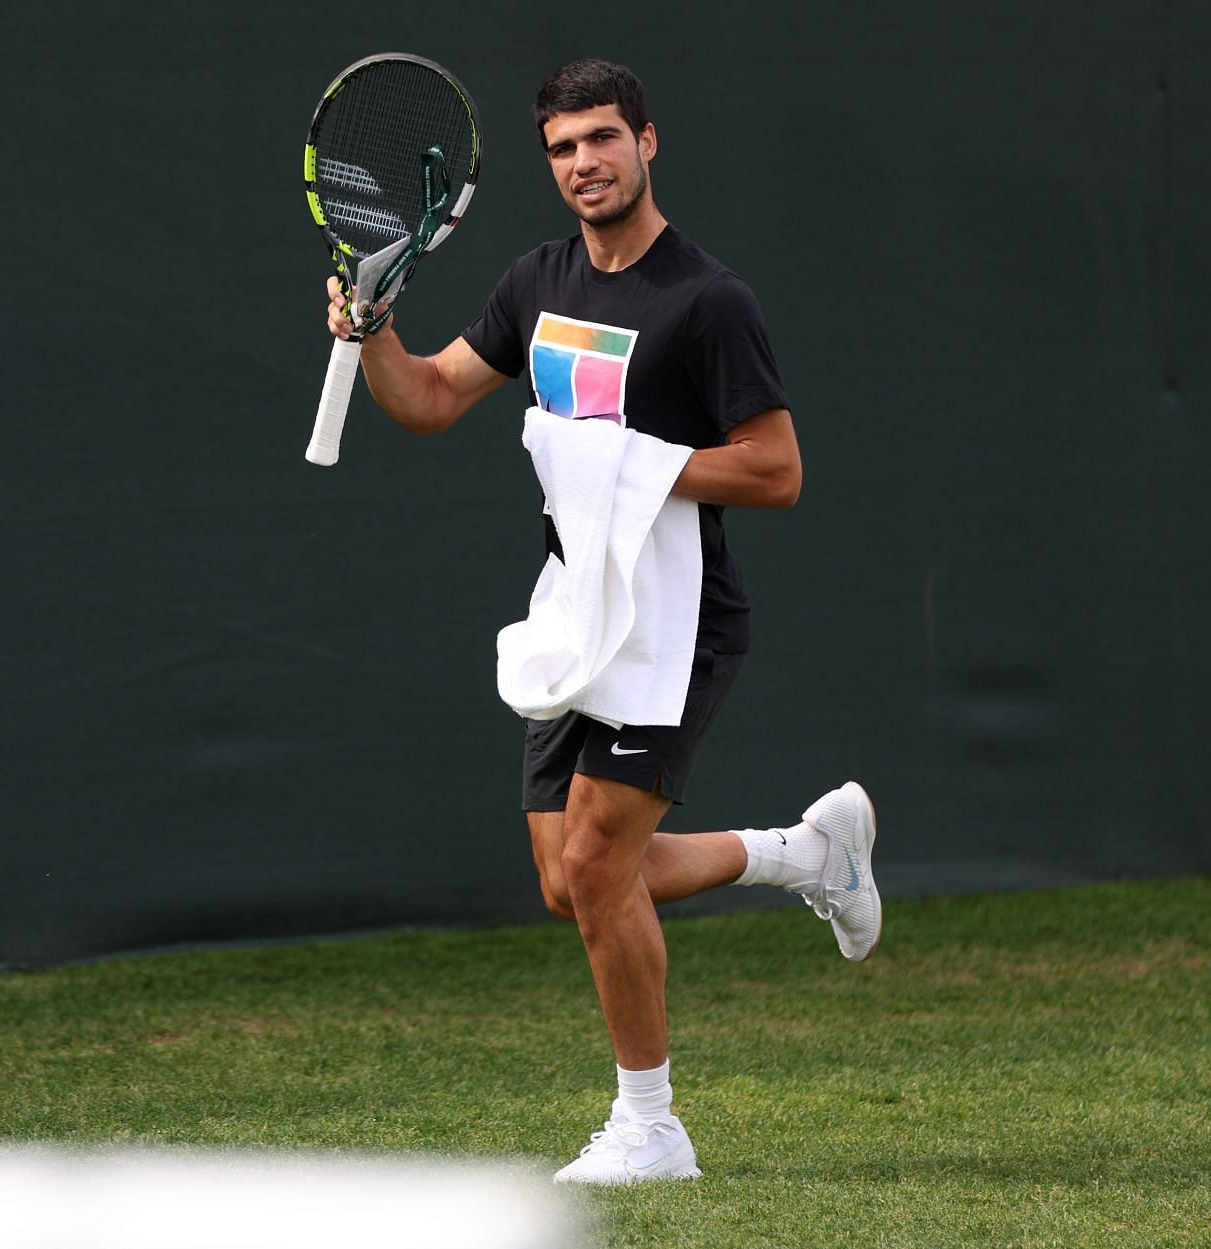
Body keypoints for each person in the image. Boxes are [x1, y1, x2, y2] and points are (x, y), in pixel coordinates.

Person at [320, 58, 881, 1185]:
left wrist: (627, 469)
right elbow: (429, 398)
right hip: (575, 608)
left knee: (594, 857)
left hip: (677, 623)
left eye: (603, 140)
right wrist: (369, 331)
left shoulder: (707, 301)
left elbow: (776, 471)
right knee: (571, 878)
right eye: (565, 148)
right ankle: (807, 851)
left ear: (649, 142)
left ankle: (652, 1126)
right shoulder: (535, 281)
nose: (585, 163)